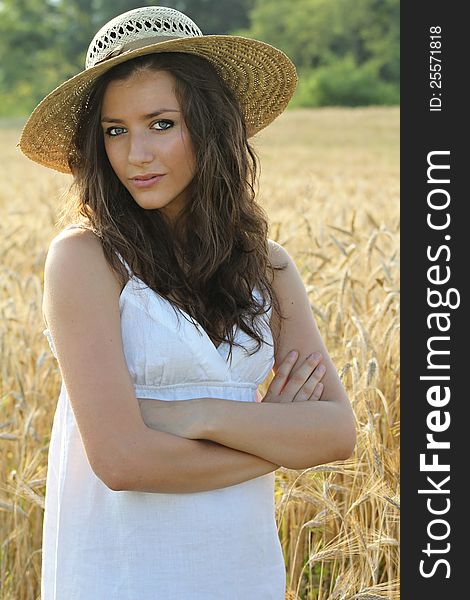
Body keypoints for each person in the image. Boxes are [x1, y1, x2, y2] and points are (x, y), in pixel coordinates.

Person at [19, 6, 356, 599]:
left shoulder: (268, 266)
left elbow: (335, 434)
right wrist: (275, 438)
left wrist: (196, 415)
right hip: (120, 573)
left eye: (161, 123)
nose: (136, 154)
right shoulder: (85, 261)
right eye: (115, 130)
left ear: (209, 124)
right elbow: (123, 462)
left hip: (239, 570)